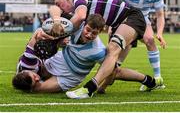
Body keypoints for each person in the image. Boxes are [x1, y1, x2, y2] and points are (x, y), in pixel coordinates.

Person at [47, 0, 151, 99]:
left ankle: (89, 89)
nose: (61, 8)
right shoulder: (76, 9)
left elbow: (80, 16)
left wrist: (61, 34)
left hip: (132, 17)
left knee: (112, 49)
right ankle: (150, 82)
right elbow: (55, 10)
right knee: (114, 68)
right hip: (119, 24)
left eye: (59, 4)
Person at [12, 14, 156, 93]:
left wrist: (104, 84)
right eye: (87, 29)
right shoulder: (74, 28)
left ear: (100, 32)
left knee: (37, 89)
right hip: (60, 60)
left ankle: (149, 80)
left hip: (72, 75)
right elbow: (40, 30)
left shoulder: (98, 50)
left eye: (94, 33)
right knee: (34, 78)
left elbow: (114, 70)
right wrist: (55, 40)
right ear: (84, 25)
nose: (89, 34)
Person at [112, 0, 166, 91]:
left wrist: (159, 32)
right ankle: (111, 70)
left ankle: (158, 79)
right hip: (125, 18)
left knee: (150, 39)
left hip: (143, 19)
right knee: (120, 46)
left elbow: (160, 15)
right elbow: (112, 4)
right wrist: (111, 24)